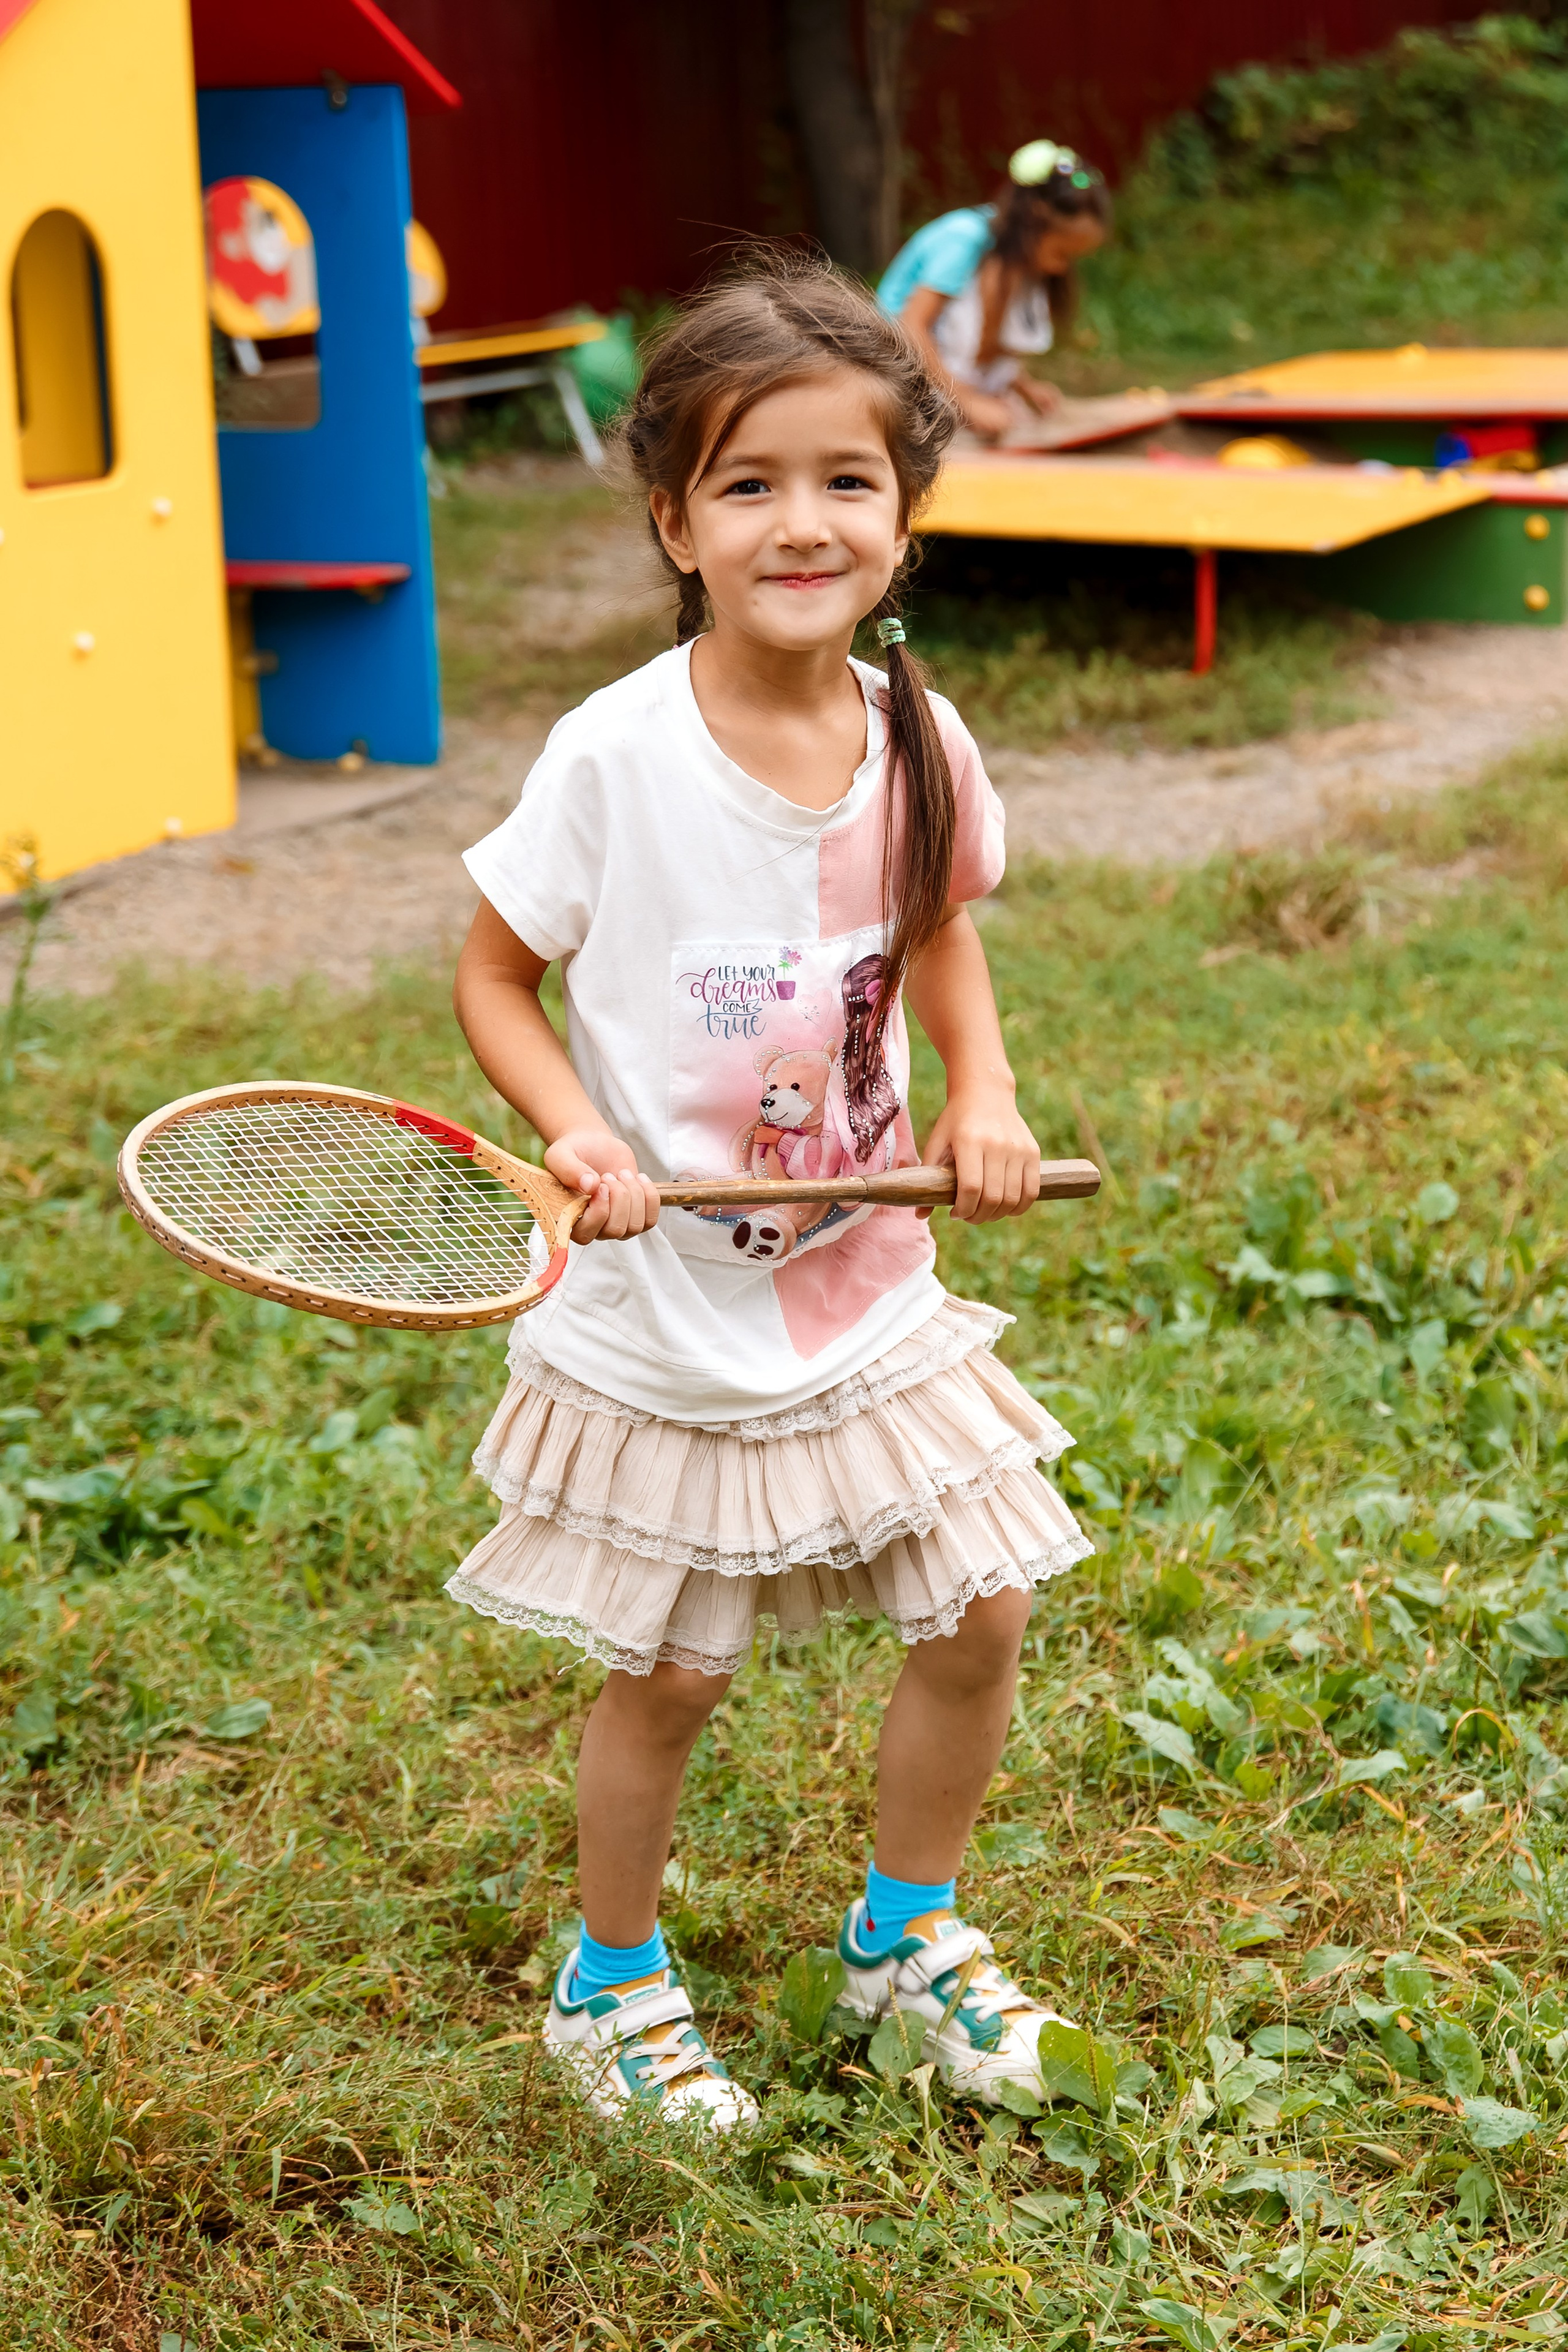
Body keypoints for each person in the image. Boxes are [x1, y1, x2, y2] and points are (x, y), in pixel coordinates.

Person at [447, 251, 1092, 2132]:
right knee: (670, 1671)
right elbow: (495, 972)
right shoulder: (612, 754)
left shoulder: (916, 731)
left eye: (844, 481)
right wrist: (576, 1130)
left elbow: (935, 927)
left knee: (978, 1610)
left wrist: (982, 1087)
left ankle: (902, 1943)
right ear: (673, 520)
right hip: (665, 1308)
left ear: (903, 519)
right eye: (746, 483)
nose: (798, 521)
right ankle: (612, 1983)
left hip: (859, 1279)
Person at [878, 139, 1110, 441]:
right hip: (892, 369)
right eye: (1061, 254)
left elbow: (985, 342)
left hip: (940, 378)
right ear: (1034, 221)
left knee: (1012, 423)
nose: (1061, 268)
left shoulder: (1008, 257)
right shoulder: (965, 240)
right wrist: (965, 401)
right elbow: (910, 328)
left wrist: (1023, 385)